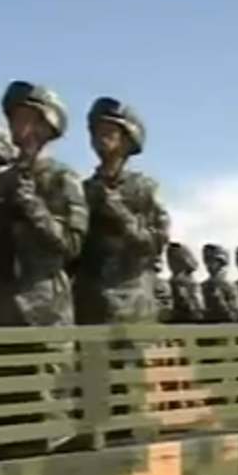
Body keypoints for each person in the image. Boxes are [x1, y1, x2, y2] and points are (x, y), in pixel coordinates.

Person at [0, 81, 87, 327]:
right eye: (14, 117)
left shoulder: (62, 177)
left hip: (45, 311)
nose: (16, 124)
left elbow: (71, 244)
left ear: (46, 126)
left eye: (25, 117)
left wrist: (32, 206)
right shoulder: (0, 181)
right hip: (0, 308)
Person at [75, 97, 170, 324]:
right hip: (91, 304)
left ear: (128, 140)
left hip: (134, 306)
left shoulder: (145, 189)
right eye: (97, 131)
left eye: (110, 131)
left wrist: (121, 214)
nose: (101, 137)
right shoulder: (83, 190)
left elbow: (156, 243)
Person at [201, 243, 238, 323]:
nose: (209, 264)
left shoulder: (229, 286)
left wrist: (219, 299)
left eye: (213, 261)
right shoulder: (203, 286)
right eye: (207, 260)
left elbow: (233, 315)